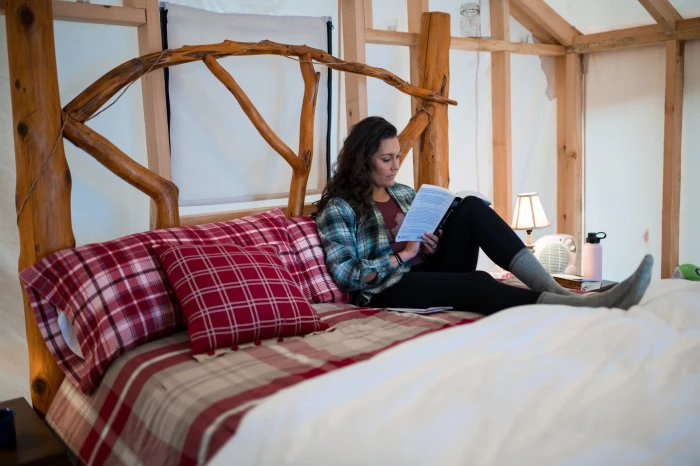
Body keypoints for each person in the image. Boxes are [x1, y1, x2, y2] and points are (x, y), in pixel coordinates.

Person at [314, 116, 652, 314]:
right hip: (389, 289)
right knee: (479, 281)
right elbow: (347, 274)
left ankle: (560, 291)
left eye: (398, 156)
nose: (396, 166)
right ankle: (573, 306)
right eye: (386, 159)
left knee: (472, 207)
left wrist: (430, 244)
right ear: (363, 160)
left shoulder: (402, 193)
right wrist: (402, 257)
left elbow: (421, 245)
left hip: (427, 271)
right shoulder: (340, 208)